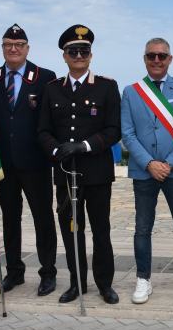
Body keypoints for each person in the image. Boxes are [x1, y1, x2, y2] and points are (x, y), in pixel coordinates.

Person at [37, 24, 121, 305]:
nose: (78, 55)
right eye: (73, 51)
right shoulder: (52, 90)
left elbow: (113, 130)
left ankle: (104, 284)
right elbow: (42, 131)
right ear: (64, 56)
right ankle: (76, 283)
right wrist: (56, 149)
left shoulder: (107, 86)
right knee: (72, 229)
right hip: (65, 171)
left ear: (90, 55)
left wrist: (84, 145)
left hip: (97, 172)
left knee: (101, 230)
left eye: (83, 51)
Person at [121, 38, 173, 305]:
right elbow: (128, 134)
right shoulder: (132, 91)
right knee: (142, 228)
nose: (156, 60)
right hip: (144, 171)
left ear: (170, 59)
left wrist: (170, 163)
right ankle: (143, 279)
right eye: (151, 56)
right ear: (144, 59)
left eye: (162, 56)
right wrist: (149, 163)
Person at [0, 24, 58, 296]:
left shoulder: (44, 78)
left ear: (27, 48)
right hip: (3, 164)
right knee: (10, 219)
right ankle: (14, 272)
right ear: (3, 49)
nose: (13, 49)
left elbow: (49, 121)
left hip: (36, 163)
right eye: (8, 45)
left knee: (43, 219)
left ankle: (48, 272)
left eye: (18, 45)